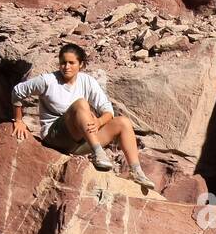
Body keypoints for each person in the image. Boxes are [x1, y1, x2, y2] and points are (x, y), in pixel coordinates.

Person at [11, 43, 155, 189]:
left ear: (81, 65)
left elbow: (108, 110)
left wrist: (99, 122)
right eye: (63, 63)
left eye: (71, 63)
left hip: (81, 141)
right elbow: (18, 91)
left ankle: (136, 171)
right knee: (81, 104)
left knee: (123, 122)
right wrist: (18, 120)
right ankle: (98, 152)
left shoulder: (87, 81)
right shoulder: (47, 81)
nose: (66, 67)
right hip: (56, 137)